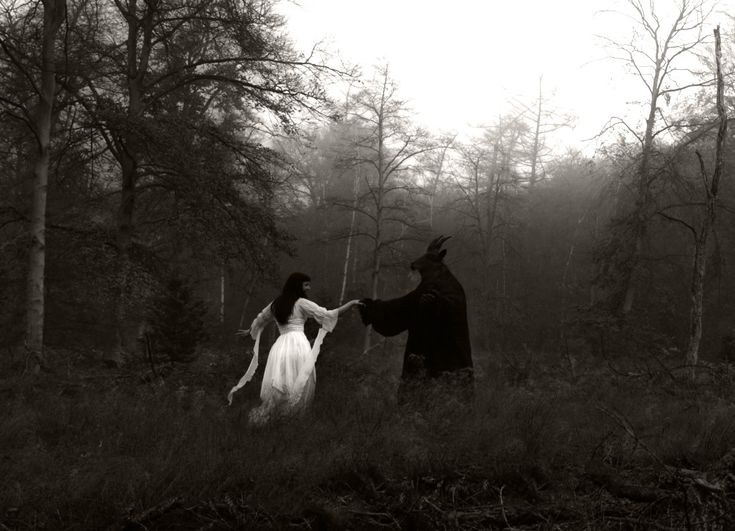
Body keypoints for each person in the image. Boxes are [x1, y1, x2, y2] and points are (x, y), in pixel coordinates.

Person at [228, 272, 361, 424]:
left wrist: (250, 330)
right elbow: (327, 315)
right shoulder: (302, 303)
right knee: (297, 383)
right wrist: (350, 304)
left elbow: (261, 318)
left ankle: (267, 422)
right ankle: (288, 422)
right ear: (297, 285)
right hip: (298, 345)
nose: (309, 288)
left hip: (280, 347)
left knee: (280, 383)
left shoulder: (276, 304)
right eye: (306, 285)